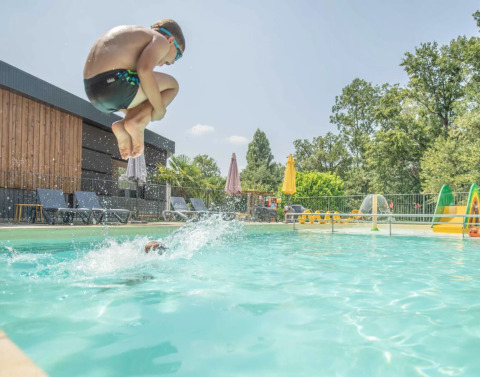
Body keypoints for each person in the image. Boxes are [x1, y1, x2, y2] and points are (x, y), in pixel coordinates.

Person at [83, 19, 185, 159]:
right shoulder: (161, 41)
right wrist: (160, 109)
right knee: (173, 86)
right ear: (170, 40)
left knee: (147, 93)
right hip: (115, 84)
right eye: (178, 55)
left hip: (93, 92)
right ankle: (136, 122)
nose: (171, 62)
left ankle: (125, 125)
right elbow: (144, 71)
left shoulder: (136, 37)